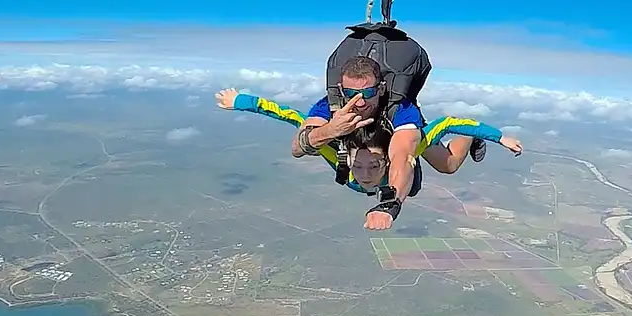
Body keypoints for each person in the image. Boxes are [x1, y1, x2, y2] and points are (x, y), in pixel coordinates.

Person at [215, 88, 523, 229]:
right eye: (359, 165)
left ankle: (471, 142)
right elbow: (291, 116)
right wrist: (240, 101)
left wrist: (499, 136)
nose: (363, 173)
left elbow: (450, 122)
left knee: (449, 165)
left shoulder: (403, 153)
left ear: (387, 162)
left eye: (373, 166)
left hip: (412, 144)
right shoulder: (339, 153)